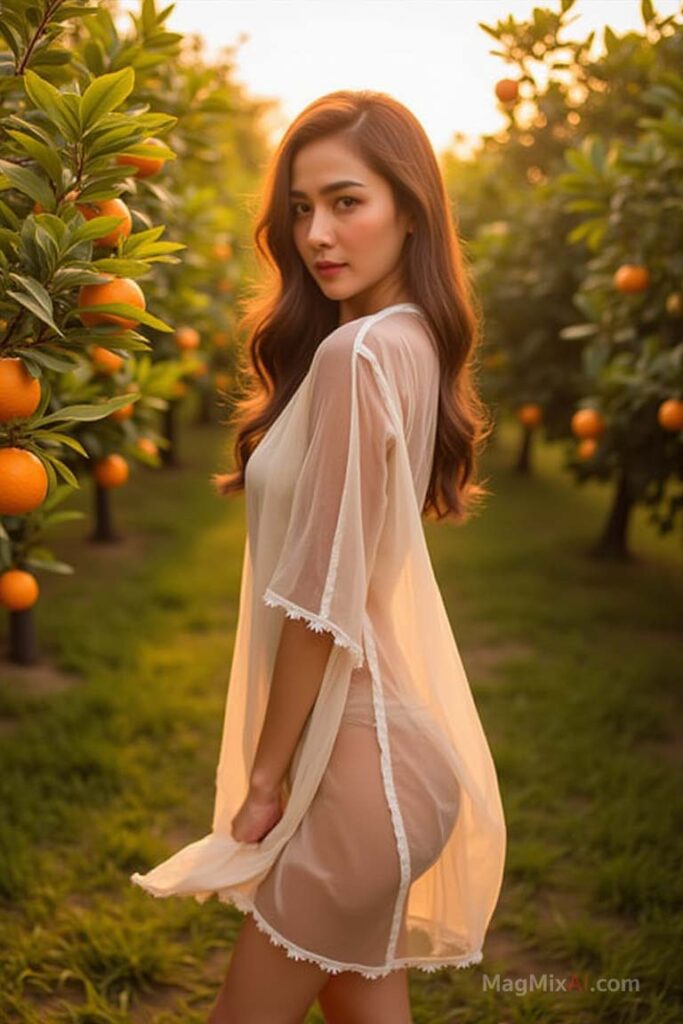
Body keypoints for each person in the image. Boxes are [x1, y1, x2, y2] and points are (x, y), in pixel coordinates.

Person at [130, 89, 506, 1024]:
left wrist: (265, 783)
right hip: (389, 768)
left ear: (409, 207)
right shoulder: (411, 339)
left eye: (347, 202)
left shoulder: (359, 356)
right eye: (300, 208)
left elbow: (320, 603)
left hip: (355, 778)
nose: (316, 234)